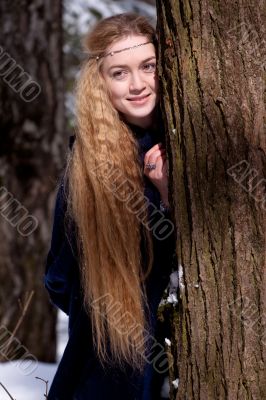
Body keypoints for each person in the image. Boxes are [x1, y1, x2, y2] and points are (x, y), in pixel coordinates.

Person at [44, 12, 176, 400]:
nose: (137, 85)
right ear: (100, 82)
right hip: (104, 376)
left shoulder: (186, 149)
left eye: (148, 67)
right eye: (119, 73)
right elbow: (59, 278)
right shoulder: (87, 170)